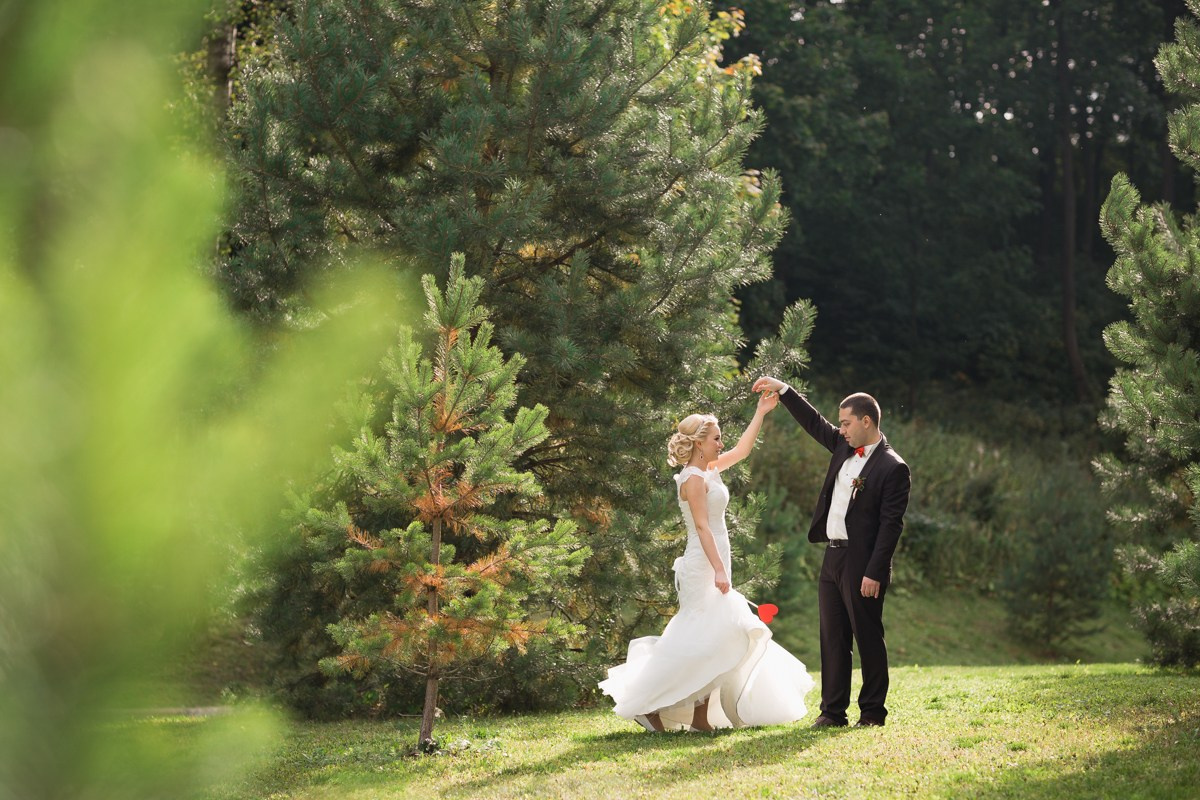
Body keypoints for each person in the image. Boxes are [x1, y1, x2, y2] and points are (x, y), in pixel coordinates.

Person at [599, 391, 814, 731]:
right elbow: (701, 526)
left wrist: (761, 412)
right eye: (716, 439)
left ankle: (701, 716)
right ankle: (647, 704)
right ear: (700, 444)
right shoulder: (693, 479)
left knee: (715, 638)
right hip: (702, 564)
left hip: (717, 558)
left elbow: (742, 452)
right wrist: (717, 569)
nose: (720, 443)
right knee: (702, 637)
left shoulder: (709, 469)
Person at [751, 377, 910, 728]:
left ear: (866, 421)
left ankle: (871, 713)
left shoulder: (892, 467)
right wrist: (783, 390)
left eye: (847, 423)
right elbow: (813, 422)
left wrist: (875, 571)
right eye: (841, 424)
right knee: (833, 637)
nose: (841, 429)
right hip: (833, 557)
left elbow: (891, 526)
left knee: (867, 636)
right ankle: (832, 712)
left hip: (863, 562)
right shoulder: (842, 446)